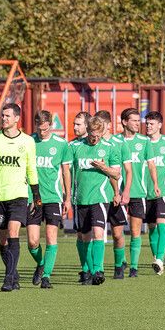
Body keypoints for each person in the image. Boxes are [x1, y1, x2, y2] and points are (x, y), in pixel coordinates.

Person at [0, 103, 39, 292]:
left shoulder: (28, 141)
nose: (4, 119)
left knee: (13, 233)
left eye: (8, 116)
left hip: (19, 196)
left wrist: (36, 196)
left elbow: (31, 169)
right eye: (2, 116)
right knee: (3, 240)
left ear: (17, 118)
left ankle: (9, 278)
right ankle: (14, 273)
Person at [69, 116, 121, 285]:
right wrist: (67, 196)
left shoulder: (109, 147)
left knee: (99, 233)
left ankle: (98, 270)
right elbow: (66, 171)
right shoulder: (75, 147)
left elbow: (116, 174)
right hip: (80, 198)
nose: (95, 138)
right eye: (92, 134)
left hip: (100, 197)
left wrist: (103, 167)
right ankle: (88, 270)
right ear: (88, 130)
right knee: (84, 237)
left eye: (99, 135)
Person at [26, 111, 72, 288]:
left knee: (51, 237)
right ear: (36, 124)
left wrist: (67, 198)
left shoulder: (61, 144)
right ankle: (40, 263)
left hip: (53, 197)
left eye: (45, 129)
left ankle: (46, 277)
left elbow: (66, 172)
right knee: (32, 241)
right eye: (39, 128)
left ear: (51, 125)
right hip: (33, 197)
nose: (42, 132)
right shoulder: (29, 141)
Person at [119, 108, 159, 277]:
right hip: (118, 193)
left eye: (138, 120)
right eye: (134, 120)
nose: (138, 123)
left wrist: (155, 184)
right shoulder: (115, 141)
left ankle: (133, 267)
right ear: (124, 122)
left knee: (135, 231)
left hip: (138, 192)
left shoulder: (144, 141)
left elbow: (151, 165)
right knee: (117, 232)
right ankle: (120, 262)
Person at [94, 110, 130, 279]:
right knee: (97, 233)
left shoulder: (118, 143)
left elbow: (126, 171)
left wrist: (122, 192)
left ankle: (118, 264)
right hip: (97, 196)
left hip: (115, 195)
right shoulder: (92, 143)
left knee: (117, 234)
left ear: (108, 125)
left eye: (102, 125)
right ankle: (95, 269)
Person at [143, 111, 165, 276]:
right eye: (147, 123)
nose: (148, 126)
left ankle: (160, 259)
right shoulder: (141, 143)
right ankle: (157, 259)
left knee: (163, 224)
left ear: (160, 125)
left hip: (164, 191)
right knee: (151, 227)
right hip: (145, 192)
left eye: (152, 124)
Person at [70, 111, 91, 282]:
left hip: (95, 197)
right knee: (81, 234)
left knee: (92, 234)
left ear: (87, 125)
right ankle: (85, 268)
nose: (75, 127)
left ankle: (92, 269)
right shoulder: (71, 146)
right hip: (77, 198)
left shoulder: (94, 144)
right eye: (74, 124)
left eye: (78, 124)